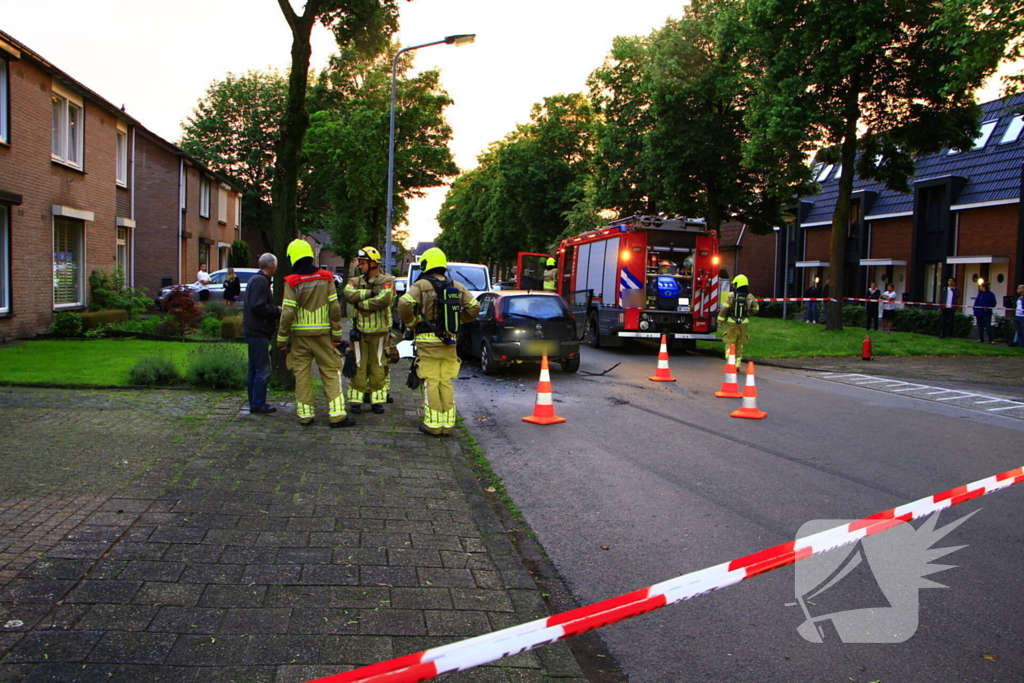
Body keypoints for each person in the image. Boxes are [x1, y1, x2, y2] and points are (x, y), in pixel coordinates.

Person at [398, 247, 480, 436]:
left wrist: (411, 323)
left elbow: (404, 303)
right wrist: (460, 321)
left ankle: (433, 425)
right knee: (446, 382)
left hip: (427, 341)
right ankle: (447, 424)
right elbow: (474, 306)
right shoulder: (457, 285)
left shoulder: (421, 285)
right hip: (449, 341)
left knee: (431, 381)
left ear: (426, 264)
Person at [277, 239, 351, 428]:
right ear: (310, 255)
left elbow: (287, 313)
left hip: (300, 339)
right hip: (323, 337)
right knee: (330, 372)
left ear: (293, 258)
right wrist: (336, 336)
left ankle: (305, 416)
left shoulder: (291, 281)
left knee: (302, 375)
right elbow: (335, 308)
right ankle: (337, 415)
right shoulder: (326, 277)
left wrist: (282, 340)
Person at [343, 246, 395, 415]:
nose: (360, 265)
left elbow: (385, 299)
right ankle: (356, 401)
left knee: (378, 366)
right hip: (359, 333)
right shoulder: (356, 281)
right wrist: (369, 294)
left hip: (380, 333)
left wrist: (361, 304)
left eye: (363, 262)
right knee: (359, 365)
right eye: (359, 262)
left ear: (374, 263)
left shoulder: (387, 280)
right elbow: (348, 294)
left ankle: (377, 401)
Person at [243, 253, 280, 415]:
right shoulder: (260, 282)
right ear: (272, 266)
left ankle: (254, 402)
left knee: (254, 369)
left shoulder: (255, 280)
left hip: (253, 330)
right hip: (258, 331)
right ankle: (258, 403)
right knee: (262, 370)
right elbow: (258, 306)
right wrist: (276, 311)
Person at [717, 273, 759, 367]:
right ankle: (738, 362)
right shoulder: (750, 296)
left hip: (732, 322)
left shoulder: (731, 295)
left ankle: (729, 357)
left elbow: (725, 309)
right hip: (744, 322)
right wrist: (749, 313)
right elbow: (756, 309)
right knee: (740, 342)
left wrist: (720, 320)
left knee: (730, 341)